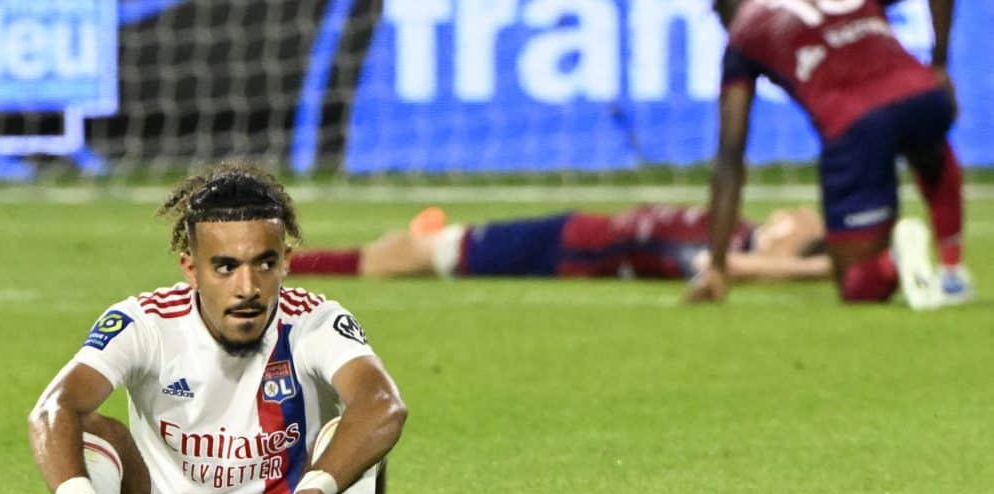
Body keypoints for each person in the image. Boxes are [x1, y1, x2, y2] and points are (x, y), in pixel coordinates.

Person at [28, 163, 407, 494]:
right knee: (89, 436)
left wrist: (314, 490)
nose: (247, 287)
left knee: (351, 435)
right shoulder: (146, 324)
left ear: (285, 262)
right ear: (191, 268)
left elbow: (382, 405)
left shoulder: (314, 322)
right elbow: (53, 408)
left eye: (264, 263)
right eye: (226, 267)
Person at [688, 0, 973, 309]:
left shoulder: (744, 34)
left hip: (856, 124)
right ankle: (952, 271)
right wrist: (940, 62)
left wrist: (717, 265)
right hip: (923, 93)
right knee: (929, 145)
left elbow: (730, 155)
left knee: (855, 282)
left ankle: (894, 261)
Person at [286, 204, 831, 282]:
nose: (802, 212)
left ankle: (287, 264)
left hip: (574, 247)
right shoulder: (734, 224)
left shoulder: (734, 251)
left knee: (411, 253)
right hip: (576, 234)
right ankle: (282, 262)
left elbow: (730, 267)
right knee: (419, 249)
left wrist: (819, 270)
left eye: (806, 223)